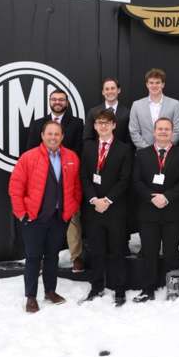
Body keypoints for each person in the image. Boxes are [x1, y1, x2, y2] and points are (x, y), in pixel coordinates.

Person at [9, 120, 81, 313]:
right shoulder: (28, 158)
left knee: (52, 256)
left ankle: (50, 291)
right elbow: (15, 187)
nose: (53, 137)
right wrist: (22, 214)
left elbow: (76, 187)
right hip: (34, 218)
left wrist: (70, 209)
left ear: (62, 136)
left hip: (59, 218)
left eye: (57, 134)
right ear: (42, 135)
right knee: (33, 258)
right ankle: (31, 297)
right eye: (49, 134)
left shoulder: (71, 157)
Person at [132, 117, 179, 302]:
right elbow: (136, 181)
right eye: (160, 129)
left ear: (172, 132)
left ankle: (173, 288)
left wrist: (166, 197)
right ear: (154, 131)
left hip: (172, 212)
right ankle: (147, 289)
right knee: (148, 252)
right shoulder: (142, 154)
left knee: (171, 253)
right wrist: (152, 198)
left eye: (167, 129)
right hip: (148, 212)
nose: (163, 132)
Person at [26, 88, 85, 272]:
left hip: (67, 177)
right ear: (49, 101)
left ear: (67, 102)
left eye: (61, 99)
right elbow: (29, 151)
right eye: (54, 99)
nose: (58, 102)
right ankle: (42, 258)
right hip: (43, 180)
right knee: (44, 220)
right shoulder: (38, 124)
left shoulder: (77, 123)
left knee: (73, 218)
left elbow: (79, 150)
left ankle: (76, 256)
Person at [80, 109, 132, 305]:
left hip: (115, 209)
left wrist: (107, 200)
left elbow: (125, 179)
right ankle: (96, 286)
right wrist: (94, 200)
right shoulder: (88, 147)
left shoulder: (124, 149)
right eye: (100, 122)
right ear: (94, 126)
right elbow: (84, 177)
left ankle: (120, 289)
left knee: (117, 251)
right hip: (94, 209)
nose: (103, 126)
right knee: (96, 250)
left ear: (114, 125)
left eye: (107, 123)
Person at [129, 68, 179, 149]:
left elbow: (177, 130)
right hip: (143, 152)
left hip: (168, 152)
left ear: (163, 84)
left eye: (158, 82)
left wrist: (163, 148)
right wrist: (148, 150)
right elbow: (134, 131)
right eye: (151, 83)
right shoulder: (136, 105)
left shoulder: (175, 104)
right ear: (147, 84)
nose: (154, 86)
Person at [83, 77, 130, 144]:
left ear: (119, 90)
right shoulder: (93, 112)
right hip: (98, 150)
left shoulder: (127, 113)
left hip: (121, 150)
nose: (110, 92)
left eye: (113, 88)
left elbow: (129, 140)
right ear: (103, 92)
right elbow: (87, 138)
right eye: (107, 89)